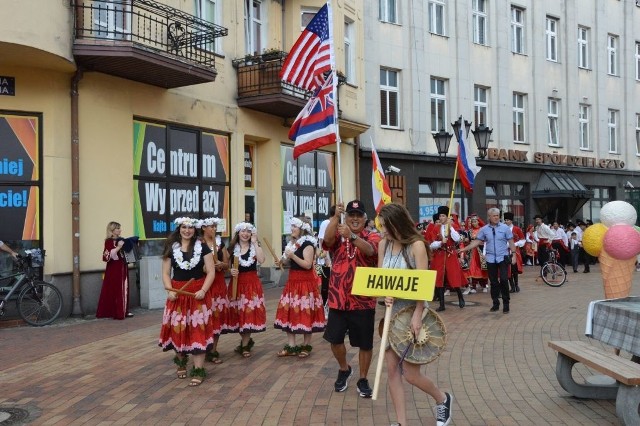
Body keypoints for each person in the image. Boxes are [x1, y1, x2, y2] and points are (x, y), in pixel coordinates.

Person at [378, 203, 453, 426]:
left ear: (397, 224)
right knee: (392, 371)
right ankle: (402, 423)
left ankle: (442, 399)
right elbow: (380, 279)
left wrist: (418, 314)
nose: (383, 231)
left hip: (412, 313)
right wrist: (383, 295)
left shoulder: (416, 246)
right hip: (392, 315)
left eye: (386, 226)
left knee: (410, 374)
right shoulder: (384, 244)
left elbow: (423, 285)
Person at [322, 199, 380, 398]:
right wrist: (334, 218)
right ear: (346, 217)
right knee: (335, 339)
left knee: (365, 343)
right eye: (351, 215)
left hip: (363, 299)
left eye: (358, 216)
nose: (354, 219)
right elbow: (327, 241)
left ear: (365, 218)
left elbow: (371, 251)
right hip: (338, 298)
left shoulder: (372, 235)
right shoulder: (338, 234)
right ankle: (344, 369)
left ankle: (363, 378)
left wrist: (352, 235)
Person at [158, 217, 216, 387]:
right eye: (184, 227)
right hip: (177, 294)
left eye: (190, 227)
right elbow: (166, 273)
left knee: (198, 330)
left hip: (197, 293)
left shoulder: (202, 247)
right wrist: (169, 290)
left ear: (194, 230)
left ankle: (198, 369)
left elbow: (211, 272)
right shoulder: (171, 248)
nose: (187, 230)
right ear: (179, 228)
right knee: (179, 329)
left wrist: (203, 290)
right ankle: (181, 362)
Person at [274, 217, 325, 358]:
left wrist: (292, 256)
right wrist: (282, 261)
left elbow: (308, 264)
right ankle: (291, 346)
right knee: (290, 312)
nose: (292, 229)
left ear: (302, 228)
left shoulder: (308, 244)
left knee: (305, 312)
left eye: (294, 227)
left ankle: (306, 345)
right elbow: (288, 260)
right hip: (293, 282)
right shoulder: (292, 243)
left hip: (305, 283)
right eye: (291, 227)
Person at [460, 208, 517, 313]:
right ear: (489, 217)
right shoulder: (484, 229)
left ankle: (506, 303)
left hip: (503, 257)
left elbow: (511, 242)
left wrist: (514, 255)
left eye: (497, 215)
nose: (496, 217)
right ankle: (495, 303)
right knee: (494, 282)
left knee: (504, 280)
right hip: (490, 259)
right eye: (494, 215)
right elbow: (477, 241)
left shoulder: (505, 228)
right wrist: (464, 249)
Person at [227, 222, 267, 358]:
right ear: (238, 233)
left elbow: (262, 260)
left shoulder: (254, 247)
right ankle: (245, 341)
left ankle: (245, 345)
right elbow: (225, 266)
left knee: (248, 314)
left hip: (251, 284)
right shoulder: (232, 248)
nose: (245, 234)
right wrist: (229, 270)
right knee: (238, 314)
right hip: (237, 284)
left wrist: (256, 243)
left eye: (248, 231)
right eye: (243, 231)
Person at [200, 217, 230, 364]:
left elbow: (227, 264)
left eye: (215, 226)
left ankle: (213, 350)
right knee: (204, 317)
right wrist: (206, 268)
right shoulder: (198, 244)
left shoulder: (220, 243)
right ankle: (202, 347)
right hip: (205, 284)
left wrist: (221, 265)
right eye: (211, 226)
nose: (214, 229)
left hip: (218, 283)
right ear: (204, 228)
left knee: (216, 317)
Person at [424, 206, 465, 311]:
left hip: (450, 255)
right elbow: (431, 244)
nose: (441, 218)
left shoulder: (452, 226)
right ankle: (442, 304)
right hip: (439, 255)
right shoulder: (435, 228)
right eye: (440, 216)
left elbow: (457, 239)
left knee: (453, 276)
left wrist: (450, 227)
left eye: (443, 216)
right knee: (439, 279)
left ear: (447, 217)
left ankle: (460, 296)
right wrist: (441, 242)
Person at [96, 221, 133, 320]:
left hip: (123, 266)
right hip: (114, 268)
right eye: (118, 228)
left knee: (124, 287)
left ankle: (124, 310)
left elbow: (125, 253)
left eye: (119, 228)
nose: (120, 230)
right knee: (116, 288)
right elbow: (108, 255)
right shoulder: (108, 241)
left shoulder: (121, 240)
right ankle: (117, 312)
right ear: (112, 230)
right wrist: (119, 247)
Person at [316, 205, 335, 306]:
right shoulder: (327, 223)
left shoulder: (333, 224)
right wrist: (327, 259)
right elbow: (322, 240)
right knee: (324, 286)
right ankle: (322, 308)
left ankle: (325, 307)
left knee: (327, 286)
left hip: (326, 261)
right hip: (322, 263)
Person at [465, 214, 489, 293]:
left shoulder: (483, 230)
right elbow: (468, 240)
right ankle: (474, 286)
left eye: (475, 221)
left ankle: (484, 285)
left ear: (478, 222)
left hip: (481, 251)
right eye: (472, 222)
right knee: (473, 268)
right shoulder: (469, 231)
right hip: (472, 252)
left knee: (483, 268)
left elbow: (486, 240)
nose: (474, 223)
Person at [503, 212, 524, 293]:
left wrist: (515, 244)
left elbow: (522, 240)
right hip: (505, 251)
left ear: (511, 220)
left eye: (508, 220)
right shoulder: (502, 229)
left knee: (514, 269)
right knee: (508, 270)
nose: (506, 221)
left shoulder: (517, 229)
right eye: (505, 220)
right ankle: (511, 286)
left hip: (515, 251)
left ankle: (516, 285)